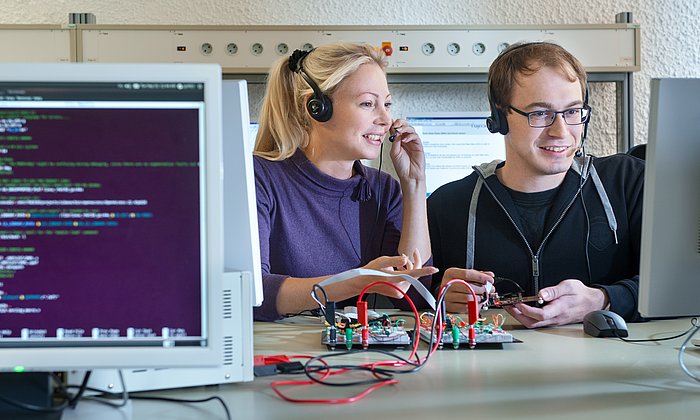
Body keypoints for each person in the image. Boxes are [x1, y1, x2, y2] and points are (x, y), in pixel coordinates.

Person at [427, 41, 644, 328]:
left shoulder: (627, 183)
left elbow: (680, 284)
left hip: (616, 369)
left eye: (572, 111)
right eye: (540, 113)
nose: (561, 131)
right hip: (490, 372)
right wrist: (439, 299)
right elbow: (414, 305)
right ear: (500, 117)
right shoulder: (447, 206)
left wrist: (604, 299)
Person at [253, 42, 437, 322]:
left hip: (350, 353)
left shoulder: (383, 190)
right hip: (277, 354)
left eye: (386, 104)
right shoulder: (260, 177)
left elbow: (414, 293)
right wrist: (357, 280)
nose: (386, 119)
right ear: (317, 108)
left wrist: (414, 184)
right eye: (367, 103)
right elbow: (254, 293)